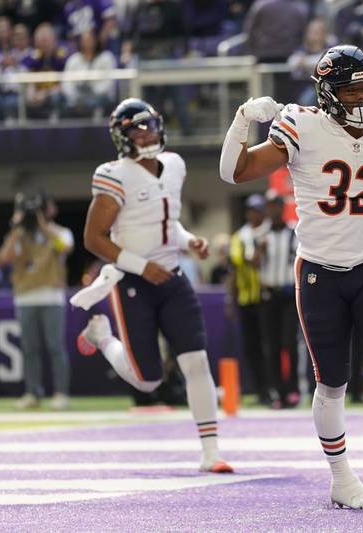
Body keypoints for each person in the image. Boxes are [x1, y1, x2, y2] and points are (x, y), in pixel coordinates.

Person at [219, 45, 363, 509]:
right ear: (328, 95)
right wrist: (244, 118)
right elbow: (235, 172)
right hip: (319, 272)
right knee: (332, 383)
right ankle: (342, 480)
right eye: (351, 89)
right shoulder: (302, 127)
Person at [77, 98, 233, 473]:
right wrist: (141, 267)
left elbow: (165, 223)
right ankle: (103, 338)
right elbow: (94, 239)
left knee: (196, 362)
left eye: (149, 125)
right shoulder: (114, 174)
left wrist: (188, 240)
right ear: (122, 136)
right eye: (136, 128)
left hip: (172, 278)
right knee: (147, 380)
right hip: (133, 281)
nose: (145, 133)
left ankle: (210, 452)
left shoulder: (175, 165)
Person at [0, 191, 73, 411]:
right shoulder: (18, 235)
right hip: (24, 298)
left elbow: (65, 247)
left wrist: (42, 225)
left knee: (55, 347)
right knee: (29, 349)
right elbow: (4, 259)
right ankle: (32, 392)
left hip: (51, 296)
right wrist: (15, 228)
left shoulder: (60, 232)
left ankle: (61, 393)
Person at [257, 191, 300, 409]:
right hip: (269, 295)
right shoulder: (260, 235)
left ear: (282, 207)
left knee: (289, 343)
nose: (272, 211)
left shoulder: (294, 233)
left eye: (275, 206)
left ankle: (293, 389)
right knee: (271, 345)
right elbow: (252, 264)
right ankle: (277, 391)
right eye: (269, 206)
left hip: (289, 295)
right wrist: (259, 251)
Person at [229, 193, 271, 405]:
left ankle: (274, 389)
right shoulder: (240, 237)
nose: (254, 214)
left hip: (267, 298)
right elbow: (234, 270)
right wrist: (231, 301)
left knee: (269, 346)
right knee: (251, 347)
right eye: (251, 210)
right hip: (246, 298)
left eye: (258, 210)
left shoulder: (272, 232)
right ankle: (260, 390)